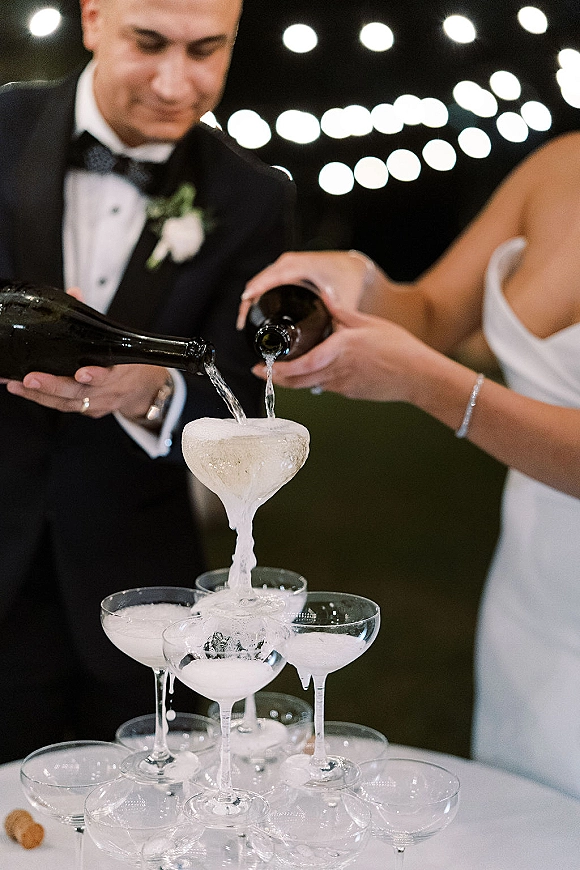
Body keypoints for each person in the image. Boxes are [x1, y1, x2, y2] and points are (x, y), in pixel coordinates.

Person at [238, 131, 580, 798]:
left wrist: (430, 385)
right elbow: (430, 313)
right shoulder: (558, 165)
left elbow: (428, 363)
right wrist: (354, 280)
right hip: (532, 599)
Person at [0, 0, 295, 762]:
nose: (175, 84)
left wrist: (156, 394)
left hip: (138, 596)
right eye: (150, 43)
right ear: (94, 19)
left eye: (206, 50)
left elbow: (247, 397)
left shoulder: (253, 196)